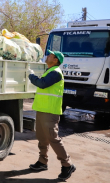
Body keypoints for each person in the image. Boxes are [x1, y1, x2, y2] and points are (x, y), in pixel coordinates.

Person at [28, 50, 76, 180]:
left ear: (56, 60)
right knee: (42, 138)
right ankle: (42, 162)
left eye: (50, 55)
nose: (47, 56)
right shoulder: (49, 70)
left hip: (50, 112)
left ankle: (67, 164)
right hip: (43, 110)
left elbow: (42, 84)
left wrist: (31, 76)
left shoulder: (56, 73)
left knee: (53, 139)